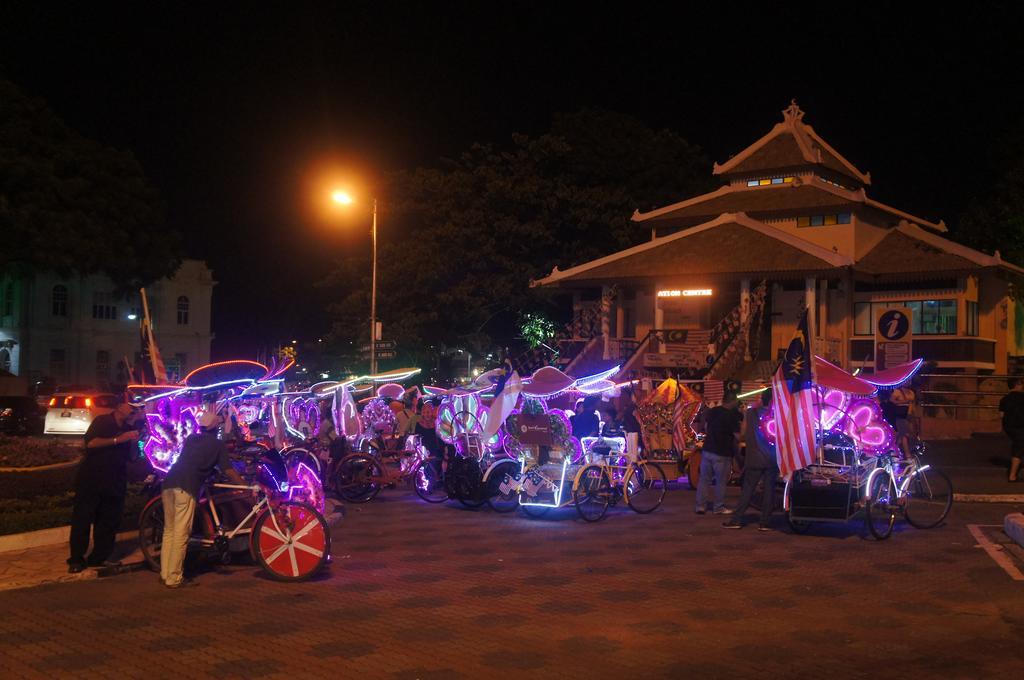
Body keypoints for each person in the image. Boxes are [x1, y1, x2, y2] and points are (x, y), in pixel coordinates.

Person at [160, 411, 245, 588]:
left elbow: (194, 460)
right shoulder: (218, 445)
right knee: (181, 533)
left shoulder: (191, 439)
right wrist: (244, 486)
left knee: (169, 530)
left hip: (169, 483)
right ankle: (174, 578)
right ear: (216, 428)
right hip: (187, 486)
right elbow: (228, 471)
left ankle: (165, 573)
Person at [68, 400, 144, 573]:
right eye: (130, 406)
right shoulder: (102, 421)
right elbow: (91, 443)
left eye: (136, 408)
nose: (133, 410)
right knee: (83, 519)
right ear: (118, 407)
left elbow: (132, 457)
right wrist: (118, 439)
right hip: (92, 479)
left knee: (109, 521)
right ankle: (76, 559)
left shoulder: (128, 428)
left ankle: (99, 557)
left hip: (115, 480)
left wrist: (134, 442)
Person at [723, 389, 778, 531]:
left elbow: (742, 434)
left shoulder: (751, 413)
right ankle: (764, 522)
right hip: (772, 457)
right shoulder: (777, 415)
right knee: (769, 490)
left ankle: (737, 519)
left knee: (747, 490)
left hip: (754, 457)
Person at [695, 392, 743, 515]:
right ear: (732, 401)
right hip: (722, 452)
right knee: (721, 481)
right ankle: (718, 507)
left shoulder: (713, 411)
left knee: (704, 480)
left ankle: (700, 506)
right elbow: (738, 436)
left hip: (707, 449)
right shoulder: (732, 416)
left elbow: (705, 427)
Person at [1000, 377, 1024, 482]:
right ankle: (1012, 476)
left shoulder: (1004, 399)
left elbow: (1001, 415)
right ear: (1017, 385)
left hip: (1009, 427)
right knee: (1018, 449)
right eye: (1022, 384)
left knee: (1019, 446)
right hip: (1021, 426)